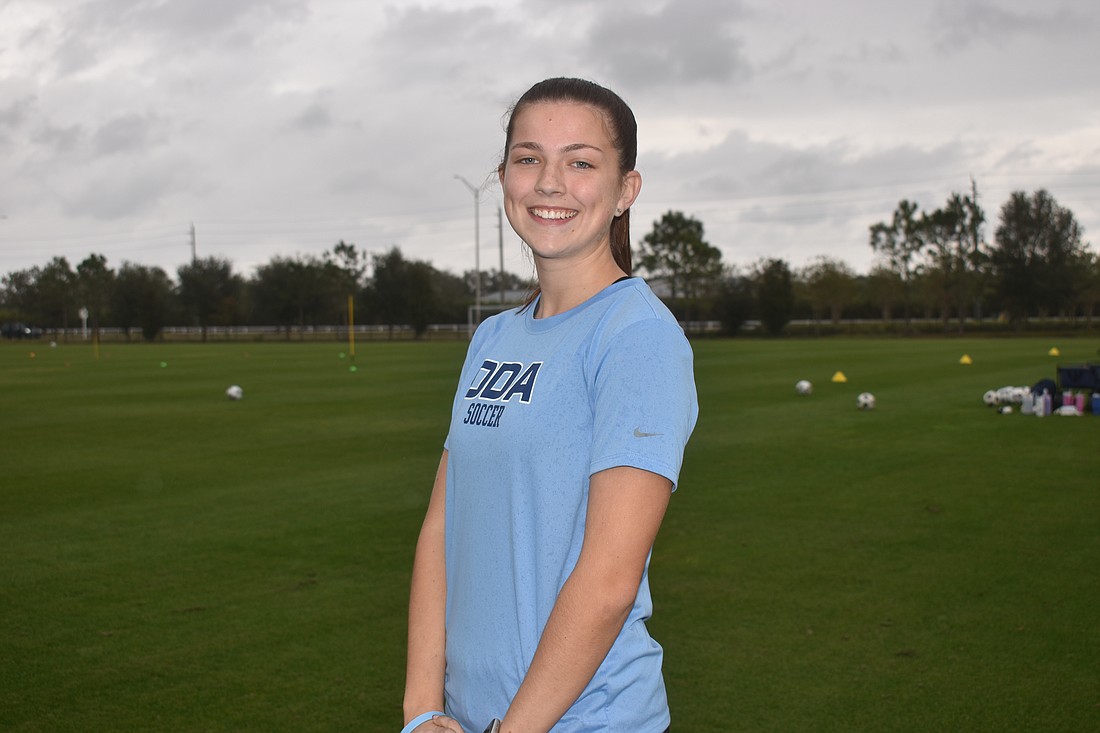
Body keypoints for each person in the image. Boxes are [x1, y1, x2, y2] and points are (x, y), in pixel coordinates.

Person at [402, 77, 698, 733]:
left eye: (581, 162)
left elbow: (610, 577)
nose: (549, 182)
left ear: (626, 190)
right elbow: (441, 530)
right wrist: (422, 707)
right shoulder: (493, 338)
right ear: (504, 175)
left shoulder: (637, 337)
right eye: (528, 157)